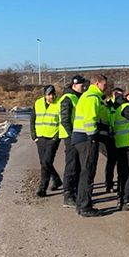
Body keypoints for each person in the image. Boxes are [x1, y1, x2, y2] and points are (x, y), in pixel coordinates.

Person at [71, 73, 110, 217]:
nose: (105, 87)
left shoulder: (88, 97)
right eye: (104, 84)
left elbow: (103, 115)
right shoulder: (92, 98)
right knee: (88, 172)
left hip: (80, 137)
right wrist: (93, 136)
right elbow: (89, 119)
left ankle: (81, 204)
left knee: (85, 172)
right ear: (97, 84)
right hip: (86, 139)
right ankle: (85, 207)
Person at [57, 75, 86, 208]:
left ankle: (74, 192)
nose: (84, 88)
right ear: (74, 85)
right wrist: (71, 135)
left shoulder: (77, 97)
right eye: (82, 86)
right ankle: (68, 195)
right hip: (71, 137)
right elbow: (65, 119)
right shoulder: (67, 98)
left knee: (77, 166)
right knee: (72, 165)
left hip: (77, 135)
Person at [30, 85, 63, 197]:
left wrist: (57, 137)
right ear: (45, 95)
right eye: (49, 95)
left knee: (46, 162)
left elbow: (62, 121)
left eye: (53, 94)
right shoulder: (38, 103)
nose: (51, 97)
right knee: (43, 162)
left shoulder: (59, 103)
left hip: (53, 138)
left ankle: (42, 188)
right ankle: (57, 179)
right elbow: (32, 119)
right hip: (40, 137)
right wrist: (34, 135)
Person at [103, 87, 125, 194]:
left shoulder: (123, 106)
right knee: (111, 161)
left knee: (122, 162)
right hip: (110, 137)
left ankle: (121, 185)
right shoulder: (107, 105)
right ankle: (109, 183)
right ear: (113, 94)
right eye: (117, 94)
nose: (119, 96)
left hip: (121, 137)